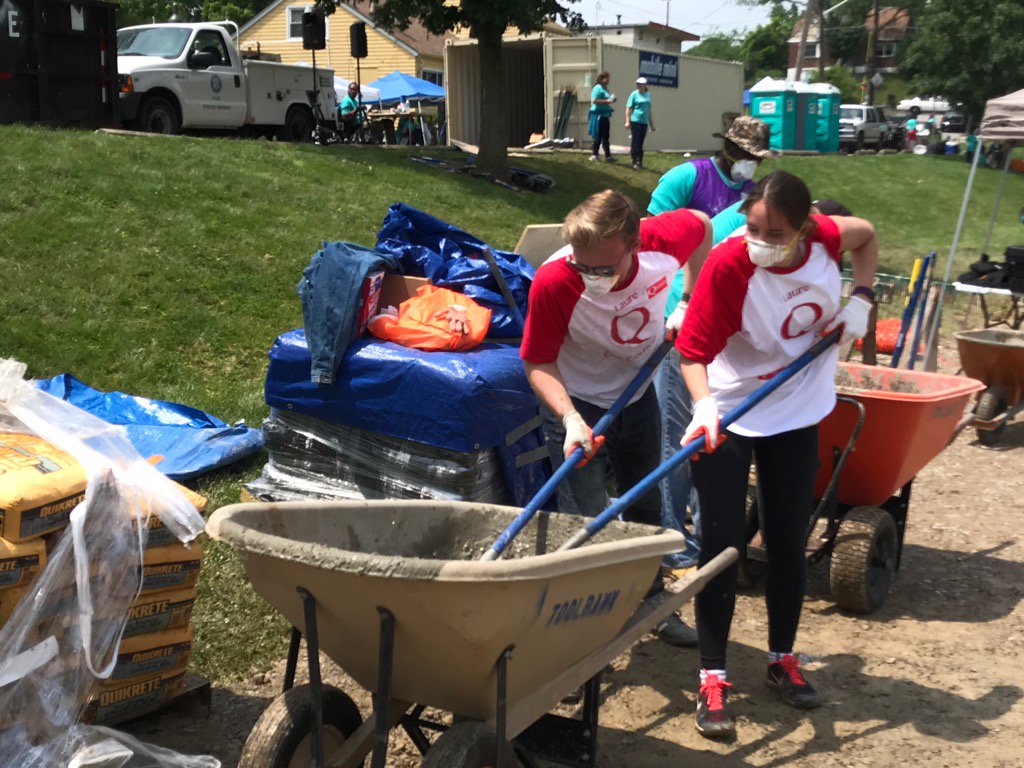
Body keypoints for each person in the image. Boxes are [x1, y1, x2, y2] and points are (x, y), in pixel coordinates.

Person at [674, 170, 878, 738]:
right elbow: (691, 352)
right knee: (721, 547)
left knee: (788, 541)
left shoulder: (826, 240)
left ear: (805, 227)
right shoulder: (731, 263)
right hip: (731, 406)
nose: (758, 238)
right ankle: (712, 677)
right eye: (752, 225)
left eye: (774, 231)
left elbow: (866, 236)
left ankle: (781, 659)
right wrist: (705, 406)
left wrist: (860, 297)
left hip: (796, 407)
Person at [521, 190, 712, 643]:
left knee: (647, 506)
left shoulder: (662, 241)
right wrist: (568, 418)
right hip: (576, 402)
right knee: (585, 519)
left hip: (637, 396)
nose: (591, 277)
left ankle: (648, 605)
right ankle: (579, 631)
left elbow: (702, 225)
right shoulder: (554, 281)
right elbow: (537, 361)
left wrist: (689, 298)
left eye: (603, 269)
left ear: (634, 243)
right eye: (582, 266)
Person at [647, 115, 774, 645]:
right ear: (726, 146)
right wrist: (674, 304)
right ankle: (672, 545)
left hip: (722, 321)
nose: (748, 164)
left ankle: (702, 532)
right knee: (676, 434)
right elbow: (652, 242)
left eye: (757, 158)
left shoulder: (755, 201)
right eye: (744, 153)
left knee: (711, 432)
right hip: (680, 314)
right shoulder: (688, 181)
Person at [625, 77, 655, 170]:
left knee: (640, 143)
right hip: (635, 120)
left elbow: (649, 109)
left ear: (644, 85)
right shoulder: (634, 94)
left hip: (644, 122)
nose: (638, 85)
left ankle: (640, 161)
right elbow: (628, 108)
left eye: (640, 84)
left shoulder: (648, 95)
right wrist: (627, 121)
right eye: (637, 83)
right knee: (635, 141)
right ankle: (634, 161)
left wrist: (651, 123)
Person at [588, 72, 616, 163]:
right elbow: (594, 100)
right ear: (601, 78)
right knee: (598, 136)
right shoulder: (597, 88)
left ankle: (608, 156)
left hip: (605, 115)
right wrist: (607, 100)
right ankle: (594, 155)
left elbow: (606, 102)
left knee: (606, 137)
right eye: (606, 78)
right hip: (598, 116)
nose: (608, 80)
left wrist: (609, 108)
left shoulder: (605, 89)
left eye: (608, 78)